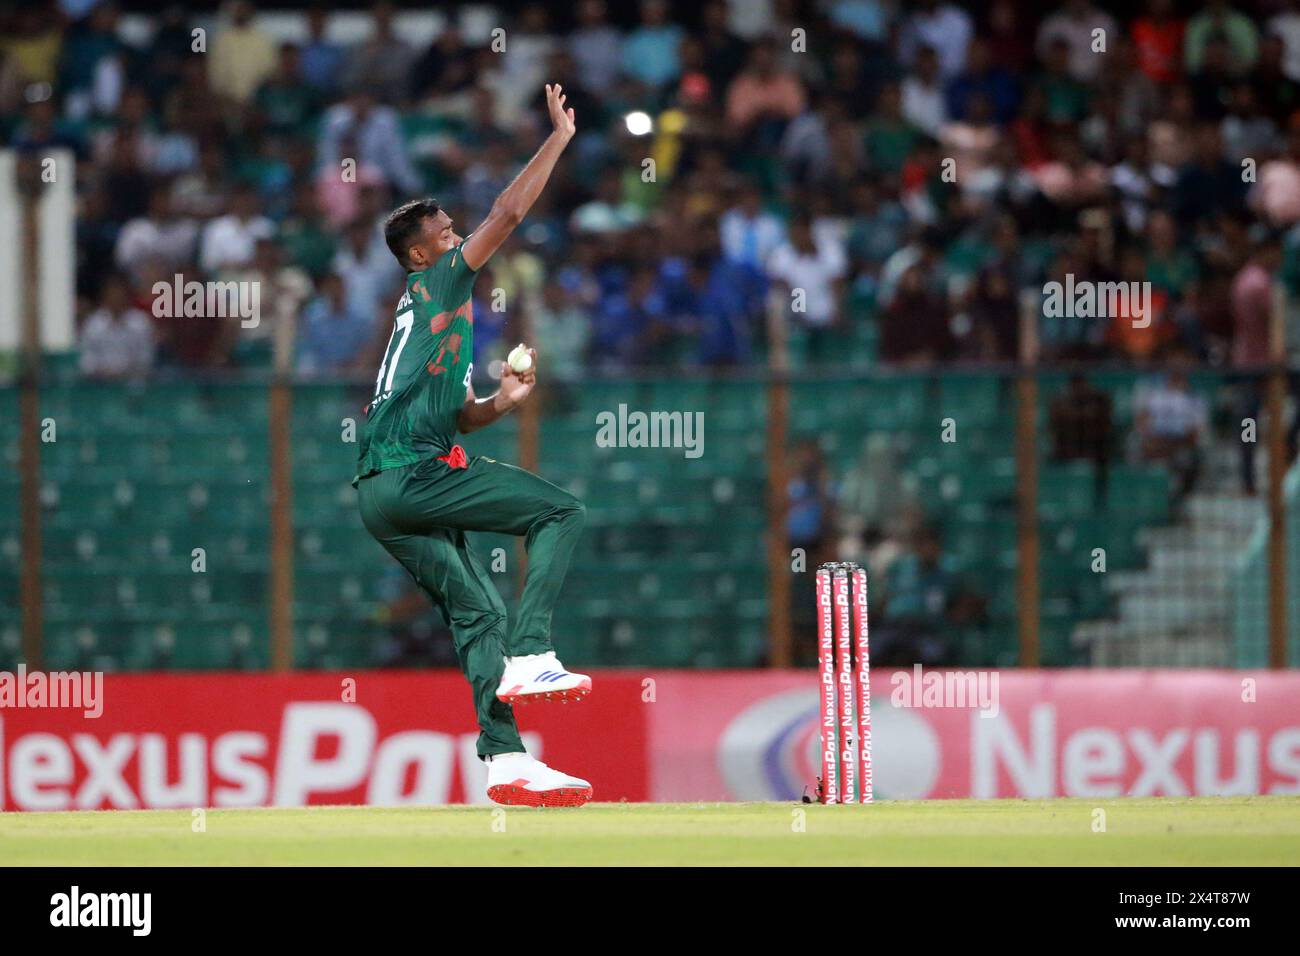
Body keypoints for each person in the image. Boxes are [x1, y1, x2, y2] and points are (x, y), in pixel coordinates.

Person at [354, 85, 592, 808]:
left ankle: (506, 759)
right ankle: (535, 652)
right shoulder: (438, 282)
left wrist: (502, 404)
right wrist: (559, 138)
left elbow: (457, 415)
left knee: (475, 615)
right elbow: (509, 212)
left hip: (380, 496)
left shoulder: (430, 319)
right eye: (448, 231)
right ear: (422, 251)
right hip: (416, 475)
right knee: (560, 513)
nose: (461, 238)